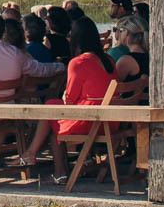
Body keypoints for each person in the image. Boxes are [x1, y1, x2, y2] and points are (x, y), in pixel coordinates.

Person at [19, 20, 116, 165]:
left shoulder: (78, 62)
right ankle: (33, 155)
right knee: (52, 110)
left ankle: (42, 160)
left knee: (51, 112)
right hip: (111, 120)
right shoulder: (109, 60)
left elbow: (69, 100)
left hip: (91, 120)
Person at [111, 14, 149, 81]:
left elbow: (112, 87)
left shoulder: (126, 61)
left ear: (127, 33)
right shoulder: (150, 57)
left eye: (120, 31)